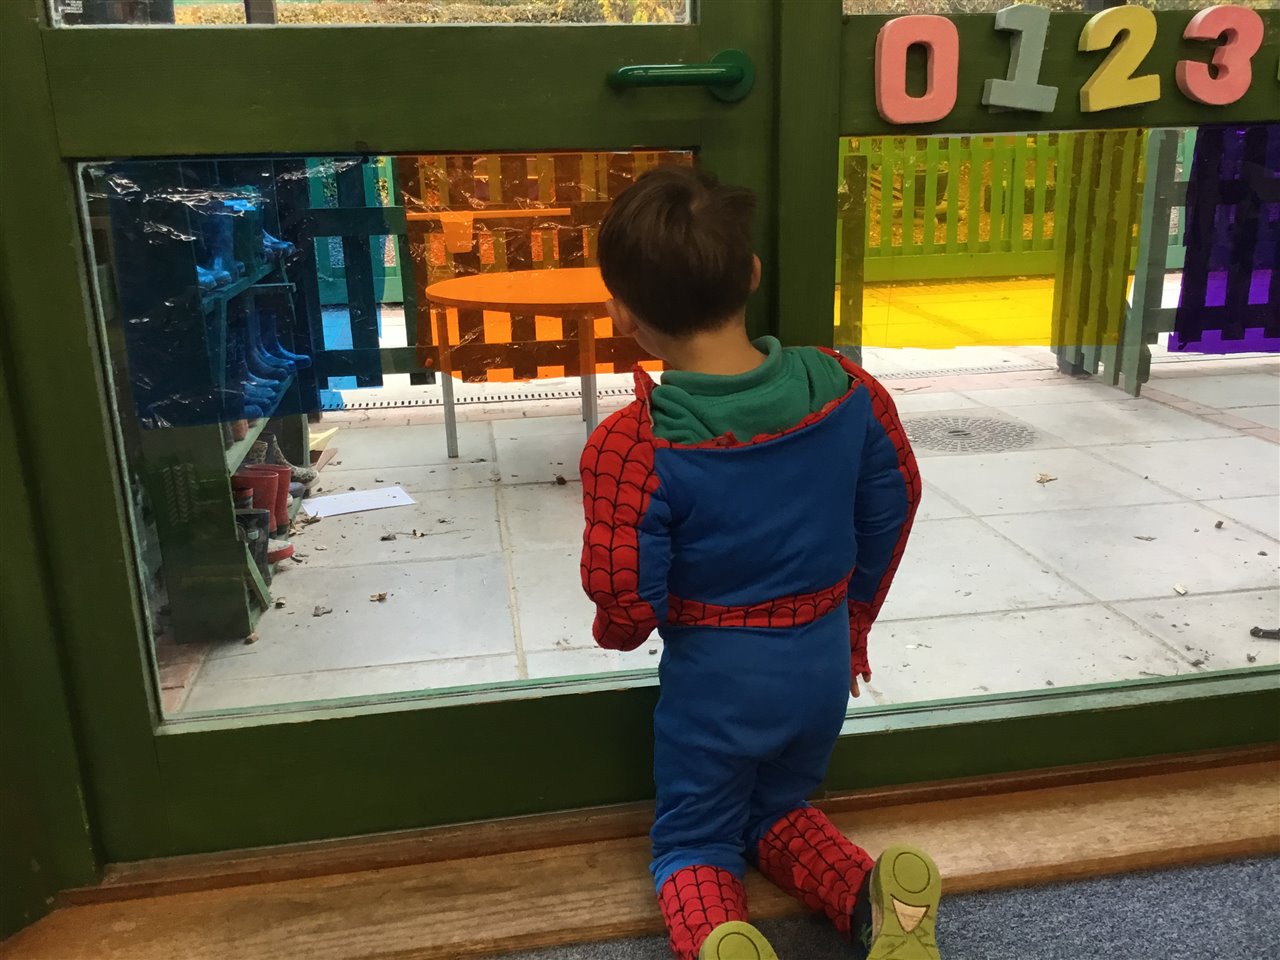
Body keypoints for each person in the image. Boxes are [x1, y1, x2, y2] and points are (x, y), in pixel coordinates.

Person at [579, 165, 938, 960]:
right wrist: (854, 619)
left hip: (717, 687)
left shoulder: (635, 444)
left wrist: (618, 629)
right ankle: (881, 906)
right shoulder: (847, 387)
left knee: (695, 839)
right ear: (751, 273)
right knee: (778, 808)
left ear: (622, 313)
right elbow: (895, 501)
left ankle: (719, 937)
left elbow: (623, 598)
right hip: (819, 666)